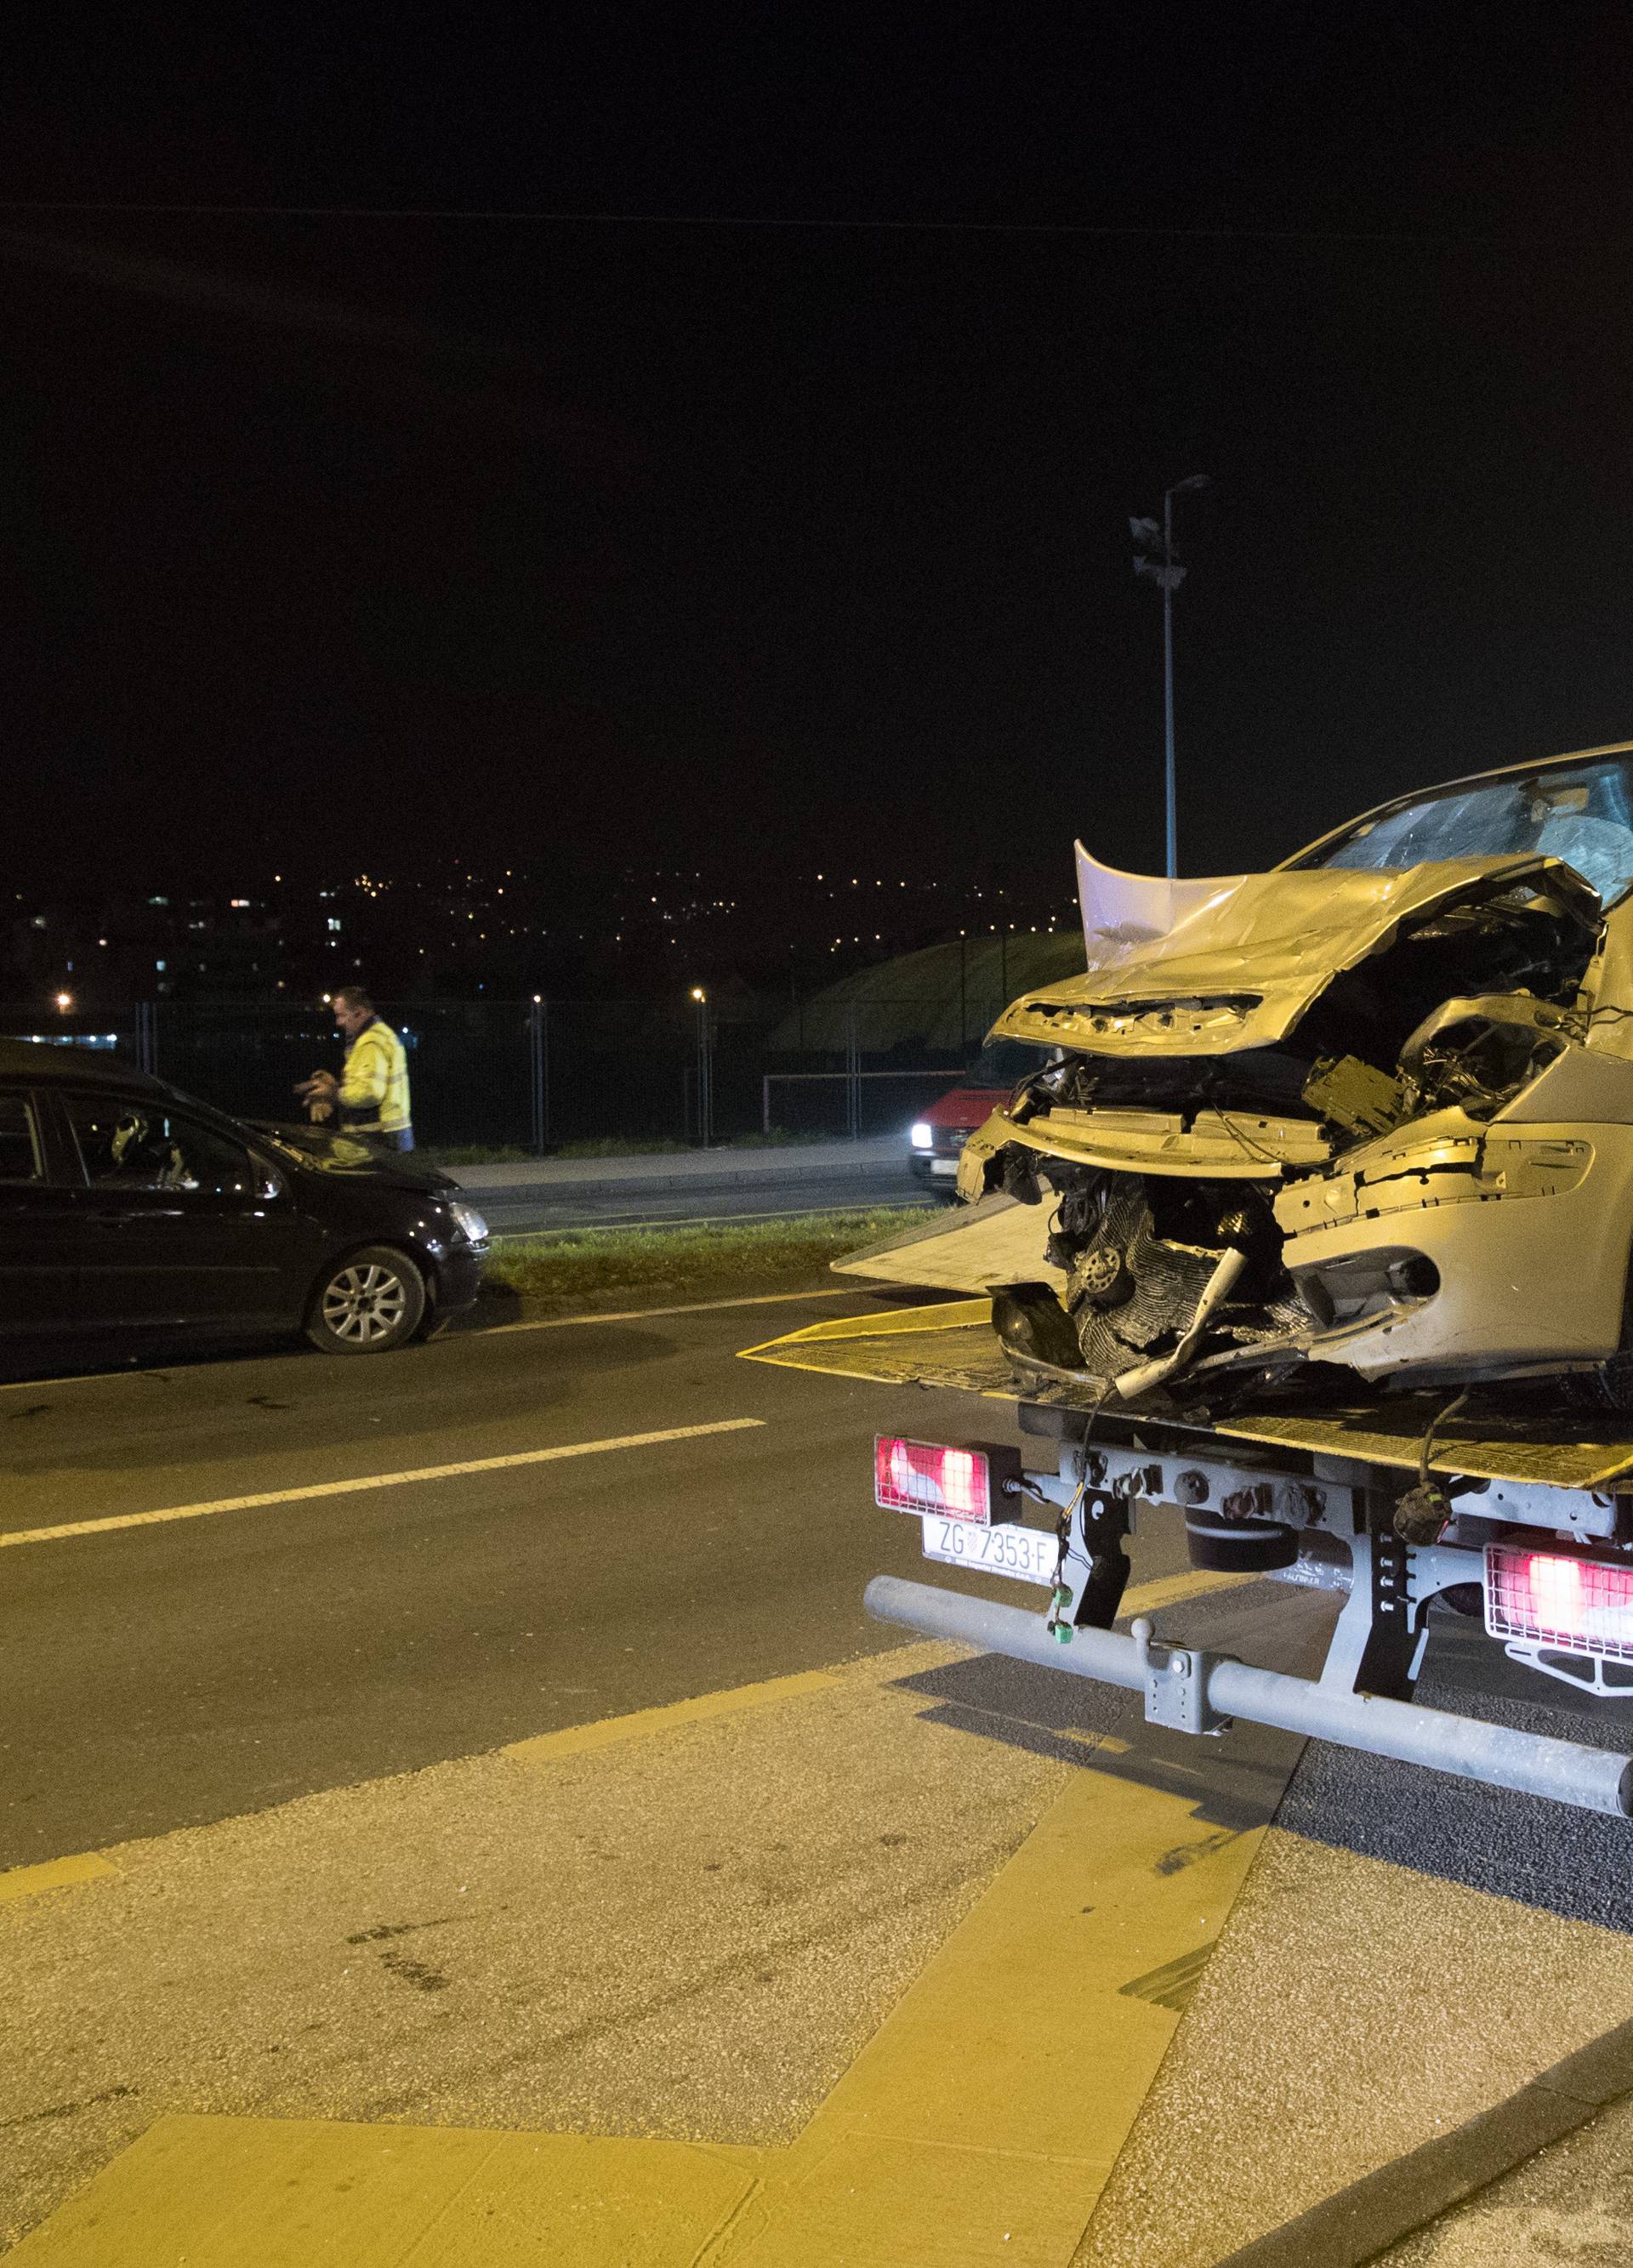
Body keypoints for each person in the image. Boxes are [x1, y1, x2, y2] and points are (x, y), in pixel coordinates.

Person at [295, 986, 414, 1151]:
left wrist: (334, 1094)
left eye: (342, 1015)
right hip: (387, 1136)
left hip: (379, 1138)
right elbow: (366, 1084)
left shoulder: (371, 1042)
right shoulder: (375, 1037)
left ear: (359, 1013)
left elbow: (370, 1092)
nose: (338, 1022)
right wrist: (336, 1085)